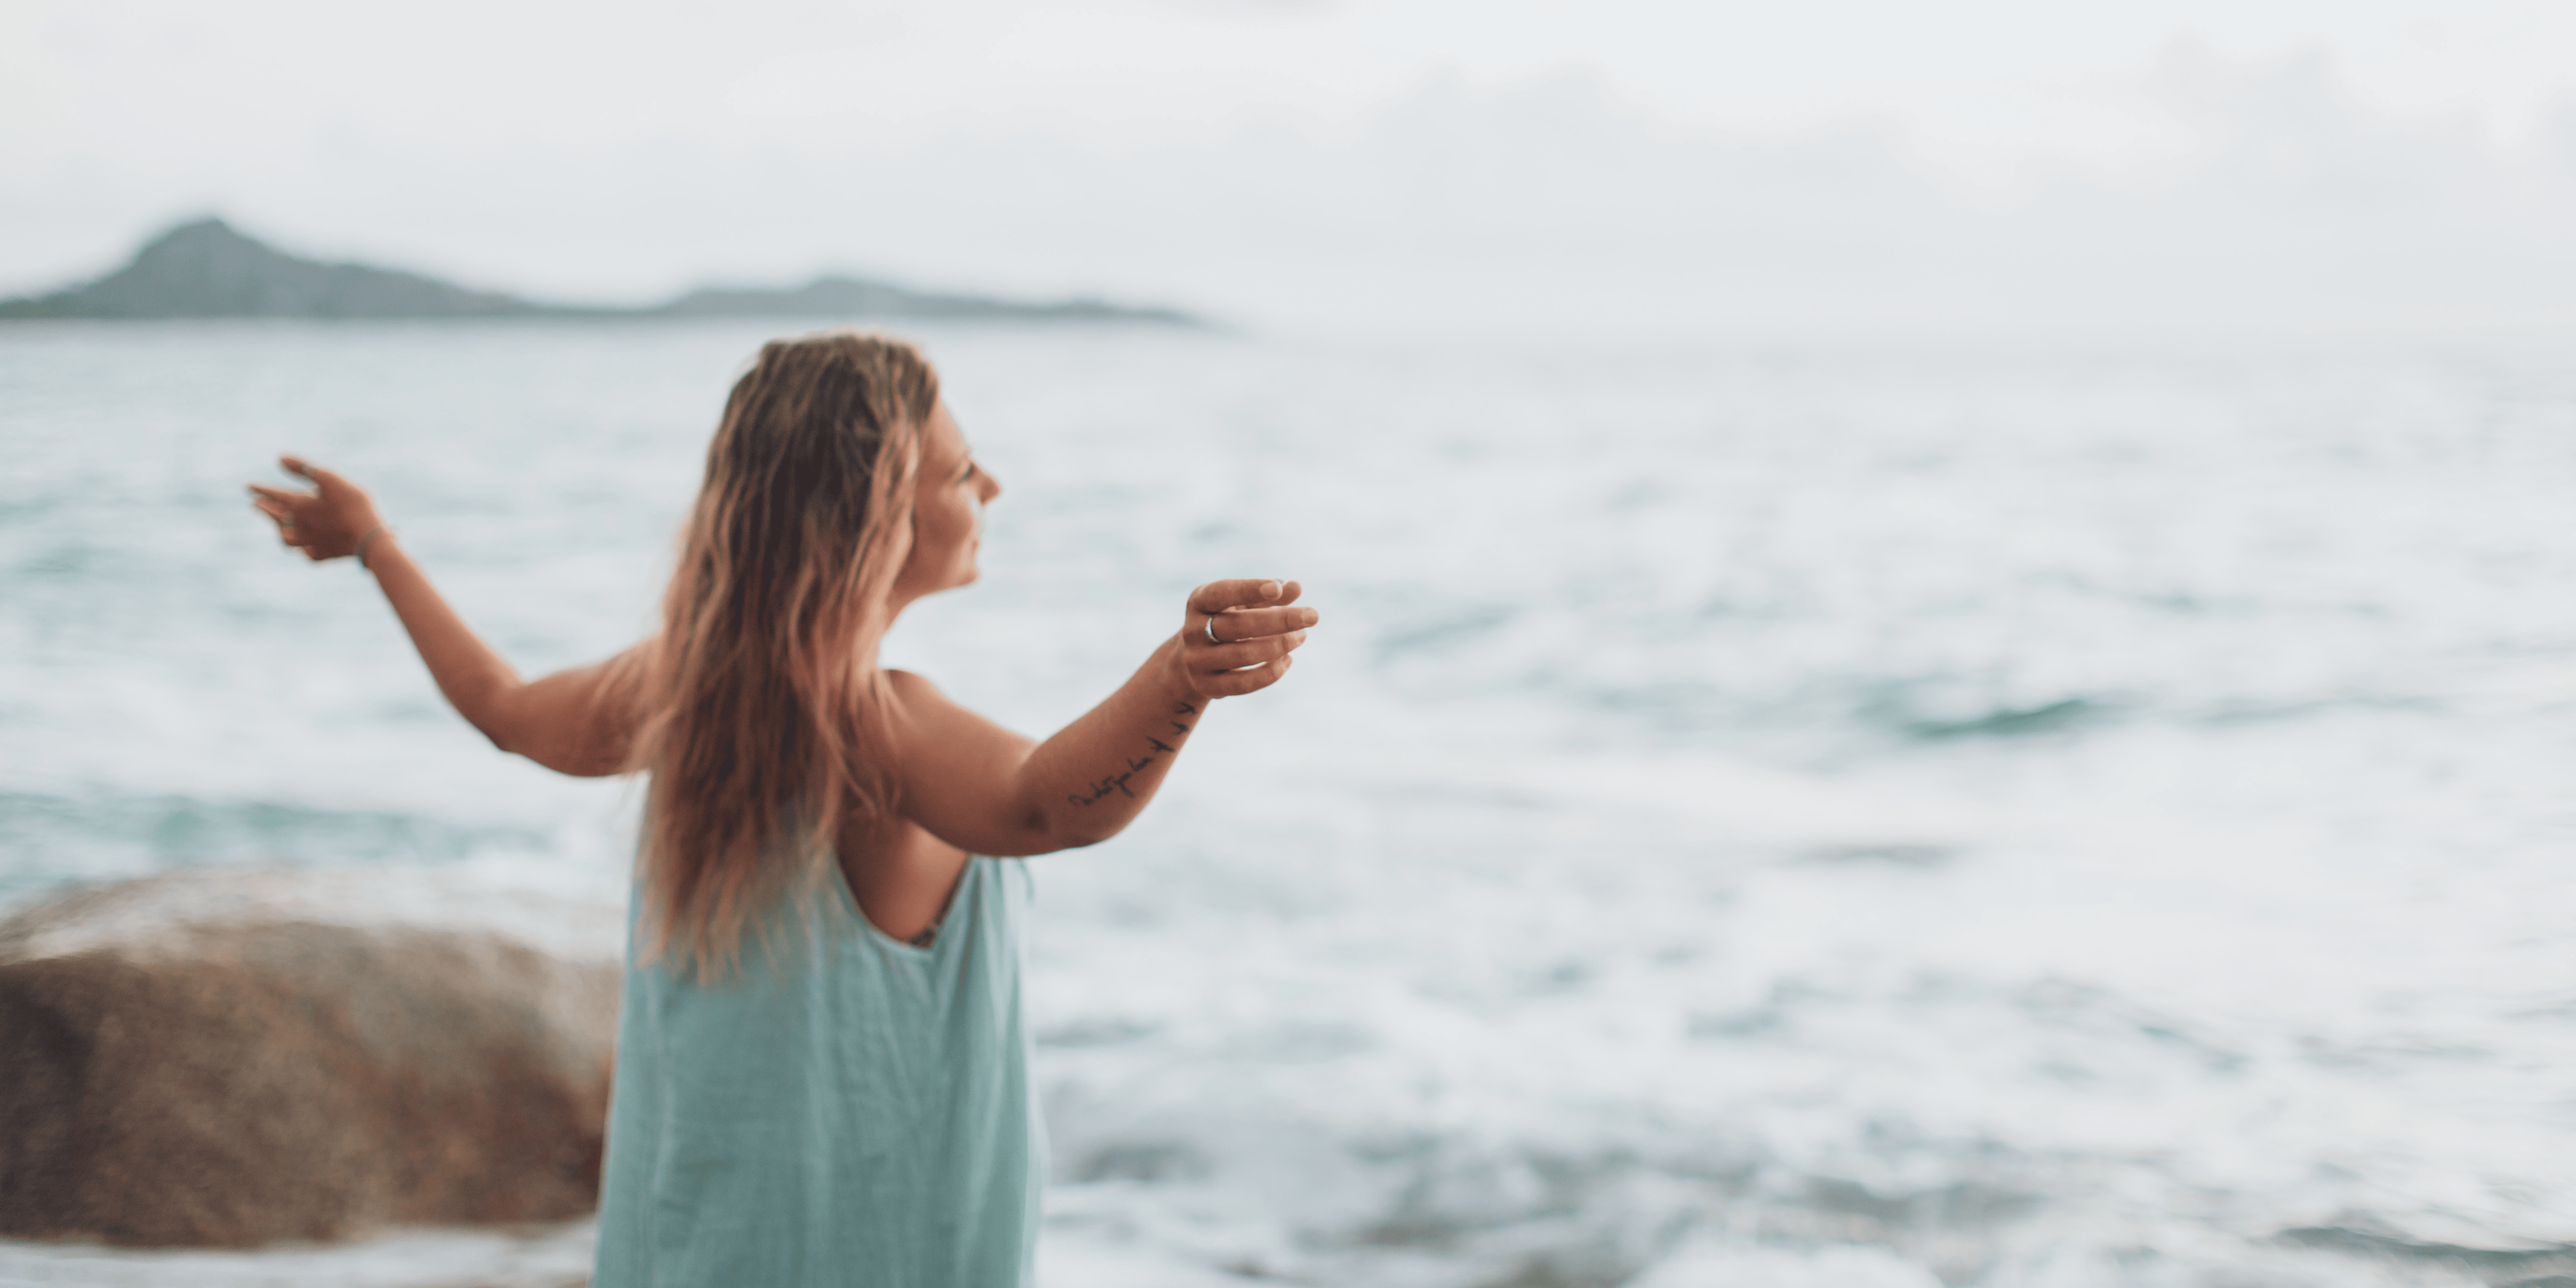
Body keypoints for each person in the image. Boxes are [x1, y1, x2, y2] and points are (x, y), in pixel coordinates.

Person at [246, 329, 1319, 1286]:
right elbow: (1046, 809)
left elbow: (505, 711)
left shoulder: (683, 692)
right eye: (960, 468)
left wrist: (379, 548)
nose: (992, 487)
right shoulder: (877, 727)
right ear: (874, 515)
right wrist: (1180, 684)